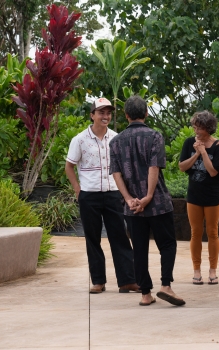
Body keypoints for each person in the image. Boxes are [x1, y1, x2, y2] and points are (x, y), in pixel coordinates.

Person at [109, 95, 185, 306]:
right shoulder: (154, 136)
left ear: (126, 116)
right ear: (146, 113)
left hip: (132, 207)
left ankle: (145, 294)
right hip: (158, 202)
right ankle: (165, 286)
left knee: (139, 248)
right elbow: (154, 167)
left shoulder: (115, 142)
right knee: (167, 244)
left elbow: (116, 173)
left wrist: (129, 199)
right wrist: (149, 196)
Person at [65, 97, 139, 294]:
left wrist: (125, 192)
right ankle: (98, 281)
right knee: (93, 238)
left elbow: (123, 167)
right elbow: (69, 166)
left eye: (108, 113)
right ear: (92, 115)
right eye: (101, 112)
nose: (105, 116)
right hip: (89, 195)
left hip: (113, 193)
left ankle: (127, 281)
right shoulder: (79, 140)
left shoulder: (116, 138)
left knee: (120, 237)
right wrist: (77, 189)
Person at [178, 111, 219, 285]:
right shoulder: (189, 143)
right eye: (195, 127)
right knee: (195, 233)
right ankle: (196, 270)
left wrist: (204, 153)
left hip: (213, 196)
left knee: (213, 232)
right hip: (194, 195)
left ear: (208, 128)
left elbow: (214, 172)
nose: (196, 131)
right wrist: (196, 154)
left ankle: (213, 270)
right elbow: (182, 167)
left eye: (199, 127)